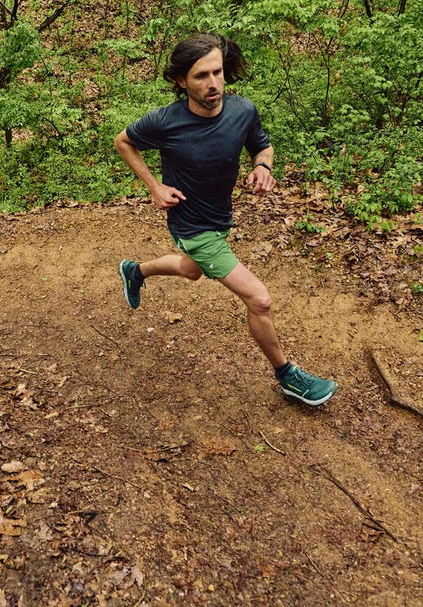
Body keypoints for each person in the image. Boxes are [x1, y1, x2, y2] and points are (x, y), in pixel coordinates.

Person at [114, 33, 339, 406]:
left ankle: (135, 271)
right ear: (180, 81)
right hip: (190, 223)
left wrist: (263, 167)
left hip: (220, 217)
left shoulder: (242, 111)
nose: (213, 83)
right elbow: (123, 141)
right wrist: (153, 185)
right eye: (201, 75)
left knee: (191, 270)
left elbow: (260, 144)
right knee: (259, 299)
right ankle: (288, 377)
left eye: (217, 72)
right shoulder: (166, 122)